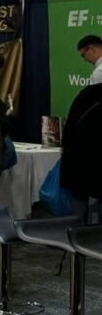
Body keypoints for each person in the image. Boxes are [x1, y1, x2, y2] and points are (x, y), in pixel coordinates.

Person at [61, 81, 102, 222]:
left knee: (78, 199)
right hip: (96, 160)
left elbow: (69, 128)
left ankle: (75, 232)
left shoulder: (86, 94)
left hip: (78, 160)